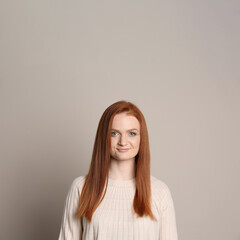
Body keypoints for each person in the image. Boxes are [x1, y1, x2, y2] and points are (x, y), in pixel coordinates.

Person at [58, 100, 178, 240]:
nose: (123, 141)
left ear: (141, 138)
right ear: (104, 138)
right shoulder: (81, 187)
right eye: (114, 133)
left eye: (131, 133)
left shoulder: (160, 191)